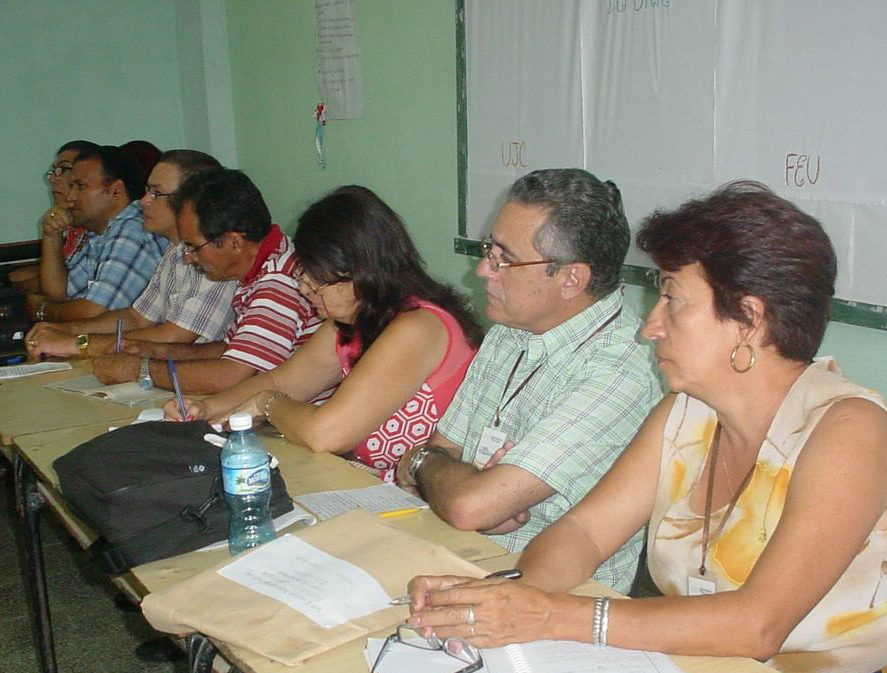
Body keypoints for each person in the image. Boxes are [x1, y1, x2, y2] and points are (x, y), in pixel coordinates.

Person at [406, 181, 887, 673]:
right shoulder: (684, 414)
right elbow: (584, 534)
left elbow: (757, 626)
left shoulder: (848, 430)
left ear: (748, 319)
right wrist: (500, 600)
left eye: (673, 300)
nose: (651, 326)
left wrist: (548, 615)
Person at [396, 169, 661, 593]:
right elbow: (440, 450)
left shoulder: (618, 373)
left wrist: (430, 470)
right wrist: (428, 466)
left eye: (505, 258)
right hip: (460, 554)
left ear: (572, 278)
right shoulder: (512, 328)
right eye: (489, 250)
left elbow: (468, 504)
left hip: (554, 597)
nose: (484, 269)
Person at [166, 185, 483, 482]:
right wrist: (202, 409)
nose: (306, 290)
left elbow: (324, 433)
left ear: (360, 275)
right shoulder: (355, 320)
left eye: (316, 280)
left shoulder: (417, 328)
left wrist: (266, 404)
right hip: (369, 486)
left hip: (424, 506)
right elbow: (281, 381)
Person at [90, 168, 319, 394]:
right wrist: (155, 351)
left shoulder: (278, 283)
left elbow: (231, 376)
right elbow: (232, 350)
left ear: (234, 242)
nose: (188, 258)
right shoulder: (265, 264)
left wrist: (139, 370)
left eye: (193, 246)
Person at [23, 150, 237, 359]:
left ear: (194, 200)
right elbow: (136, 317)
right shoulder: (176, 250)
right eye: (146, 191)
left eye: (156, 193)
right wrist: (66, 331)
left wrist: (76, 343)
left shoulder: (217, 254)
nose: (143, 201)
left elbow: (174, 336)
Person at [24, 144, 169, 322]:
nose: (70, 197)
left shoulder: (132, 231)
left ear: (116, 190)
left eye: (80, 186)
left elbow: (96, 312)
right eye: (71, 187)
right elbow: (58, 294)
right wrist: (51, 235)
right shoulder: (98, 232)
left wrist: (43, 311)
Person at [9, 140, 97, 295]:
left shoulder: (97, 225)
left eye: (64, 169)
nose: (52, 179)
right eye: (54, 171)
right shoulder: (71, 220)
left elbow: (59, 291)